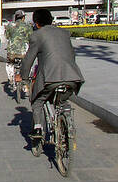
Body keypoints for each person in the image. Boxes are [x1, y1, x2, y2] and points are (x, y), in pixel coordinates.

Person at [20, 9, 85, 139]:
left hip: (49, 78)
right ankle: (66, 123)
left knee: (37, 101)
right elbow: (71, 55)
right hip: (72, 76)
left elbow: (28, 60)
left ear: (36, 23)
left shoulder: (37, 35)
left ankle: (38, 128)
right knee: (62, 100)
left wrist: (24, 77)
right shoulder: (64, 33)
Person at [5, 10, 33, 89]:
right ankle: (26, 81)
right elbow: (31, 37)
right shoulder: (27, 26)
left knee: (9, 64)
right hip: (24, 51)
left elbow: (7, 36)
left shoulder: (10, 25)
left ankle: (11, 79)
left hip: (12, 51)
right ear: (23, 18)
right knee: (28, 64)